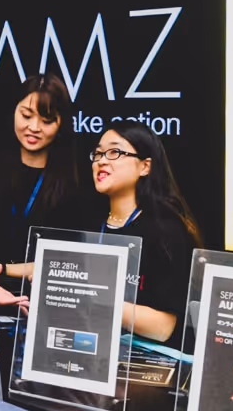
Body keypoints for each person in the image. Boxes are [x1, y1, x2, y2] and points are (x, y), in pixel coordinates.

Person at [79, 121, 201, 343]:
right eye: (98, 153)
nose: (102, 160)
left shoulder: (166, 229)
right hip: (90, 347)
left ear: (145, 166)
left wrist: (91, 299)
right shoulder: (89, 220)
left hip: (145, 363)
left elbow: (163, 328)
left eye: (115, 152)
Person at [0, 72, 89, 283]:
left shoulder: (76, 180)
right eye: (26, 115)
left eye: (47, 120)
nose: (34, 128)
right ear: (13, 111)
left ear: (61, 125)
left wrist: (6, 270)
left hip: (43, 297)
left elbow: (70, 258)